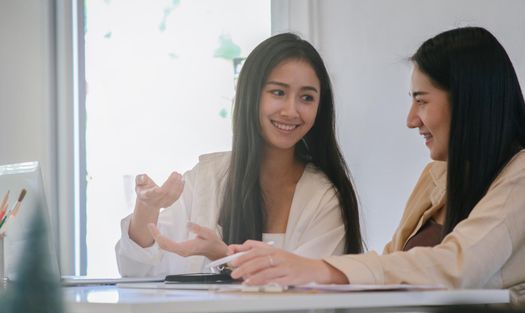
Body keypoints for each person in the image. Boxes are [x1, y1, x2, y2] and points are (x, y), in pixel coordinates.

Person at [230, 27, 525, 296]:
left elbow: (459, 265)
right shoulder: (437, 175)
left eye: (421, 101)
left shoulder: (519, 177)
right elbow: (390, 266)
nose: (411, 120)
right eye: (278, 92)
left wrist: (323, 269)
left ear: (468, 101)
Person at [115, 33, 363, 277]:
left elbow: (306, 293)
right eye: (278, 92)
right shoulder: (206, 179)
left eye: (306, 97)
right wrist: (146, 208)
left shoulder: (324, 197)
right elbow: (136, 270)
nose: (291, 110)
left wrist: (224, 257)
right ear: (250, 94)